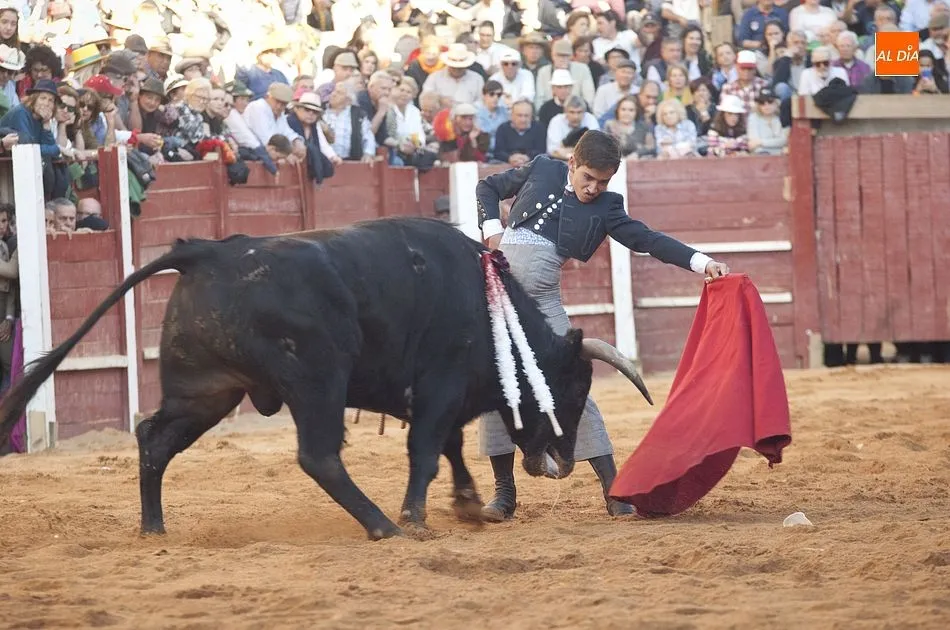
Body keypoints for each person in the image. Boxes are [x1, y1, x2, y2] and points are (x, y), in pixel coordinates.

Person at [474, 129, 731, 521]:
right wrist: (491, 229)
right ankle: (504, 494)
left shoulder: (606, 208)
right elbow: (487, 188)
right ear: (572, 164)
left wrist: (701, 262)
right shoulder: (541, 169)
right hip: (501, 302)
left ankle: (613, 491)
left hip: (543, 307)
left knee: (572, 388)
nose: (593, 188)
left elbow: (650, 240)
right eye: (588, 178)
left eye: (603, 181)